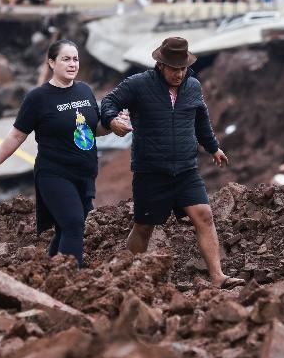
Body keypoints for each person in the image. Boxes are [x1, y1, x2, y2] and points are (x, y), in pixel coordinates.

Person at [100, 37, 245, 290]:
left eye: (183, 68)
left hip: (186, 169)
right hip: (151, 171)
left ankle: (218, 276)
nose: (179, 74)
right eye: (173, 69)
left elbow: (201, 121)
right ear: (160, 65)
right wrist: (113, 121)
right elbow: (108, 103)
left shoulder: (193, 87)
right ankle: (124, 275)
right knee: (144, 227)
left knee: (205, 216)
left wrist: (213, 147)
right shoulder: (138, 85)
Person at [0, 39, 111, 268]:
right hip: (55, 173)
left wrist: (114, 126)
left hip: (85, 173)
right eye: (66, 59)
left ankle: (49, 275)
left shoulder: (85, 90)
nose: (72, 64)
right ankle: (71, 280)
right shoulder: (38, 98)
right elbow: (16, 136)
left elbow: (93, 129)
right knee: (73, 224)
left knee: (64, 228)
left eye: (75, 59)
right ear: (51, 62)